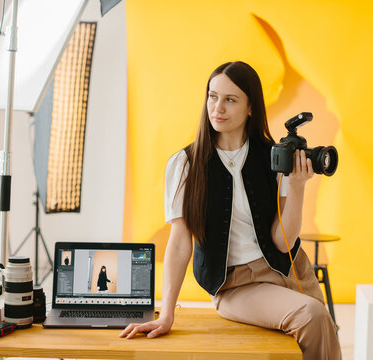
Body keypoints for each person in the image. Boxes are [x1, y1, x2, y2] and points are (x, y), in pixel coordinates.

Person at [120, 61, 341, 359]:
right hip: (237, 285)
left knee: (322, 333)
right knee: (313, 316)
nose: (217, 108)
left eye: (230, 99)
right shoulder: (186, 164)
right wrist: (166, 314)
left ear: (251, 107)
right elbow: (179, 243)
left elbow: (283, 242)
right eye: (212, 97)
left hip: (290, 268)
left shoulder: (274, 158)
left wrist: (298, 188)